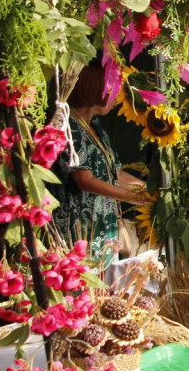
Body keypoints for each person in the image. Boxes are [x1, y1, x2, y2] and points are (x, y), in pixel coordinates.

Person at [59, 62, 146, 266]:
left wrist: (148, 191)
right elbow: (85, 180)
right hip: (80, 231)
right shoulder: (69, 127)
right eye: (114, 89)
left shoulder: (96, 126)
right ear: (96, 89)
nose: (117, 97)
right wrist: (134, 197)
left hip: (102, 230)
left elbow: (113, 173)